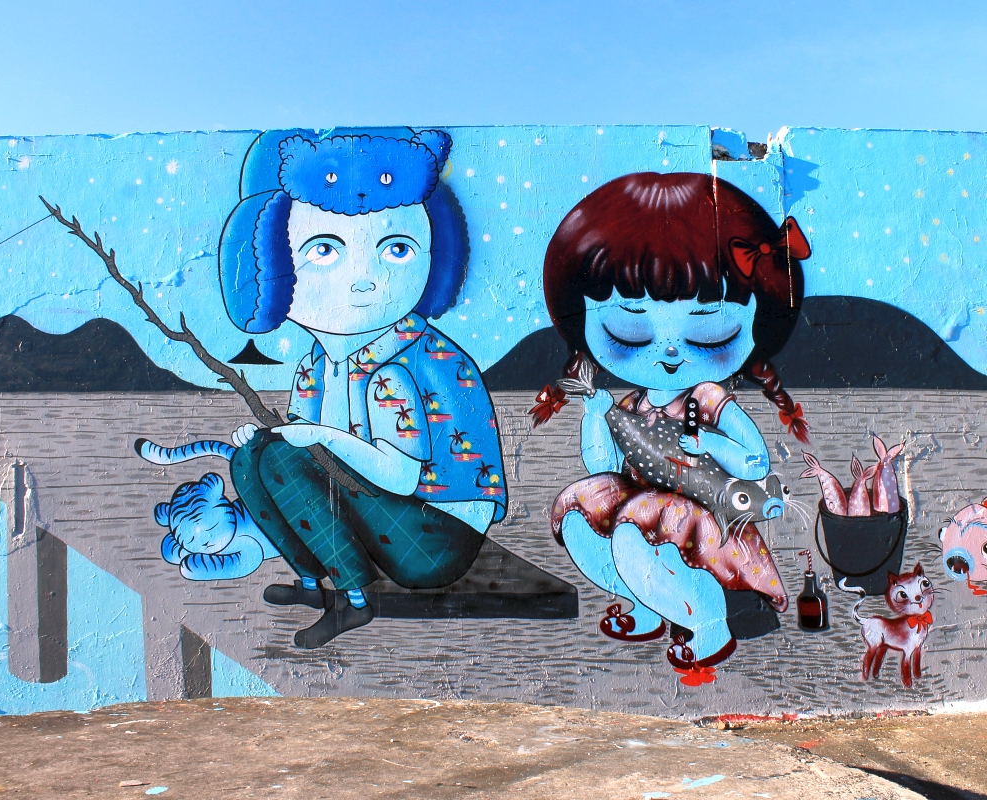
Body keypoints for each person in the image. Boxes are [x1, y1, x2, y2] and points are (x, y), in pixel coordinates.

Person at [218, 129, 506, 648]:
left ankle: (355, 601)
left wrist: (319, 438)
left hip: (439, 535)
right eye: (325, 250)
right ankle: (313, 583)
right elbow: (305, 446)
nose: (363, 279)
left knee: (284, 457)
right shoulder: (315, 365)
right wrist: (274, 438)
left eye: (396, 249)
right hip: (386, 512)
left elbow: (399, 476)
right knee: (254, 457)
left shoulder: (397, 368)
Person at [533, 171, 810, 683]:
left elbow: (755, 462)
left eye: (709, 331)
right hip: (646, 511)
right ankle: (649, 605)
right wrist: (595, 412)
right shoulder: (634, 403)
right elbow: (603, 465)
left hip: (707, 521)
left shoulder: (706, 398)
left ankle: (710, 625)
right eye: (627, 328)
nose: (668, 352)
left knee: (633, 525)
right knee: (581, 513)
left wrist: (707, 442)